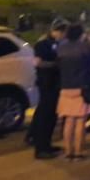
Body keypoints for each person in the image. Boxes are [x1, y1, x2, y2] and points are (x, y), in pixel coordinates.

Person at [57, 23, 90, 160]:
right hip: (81, 87)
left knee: (69, 120)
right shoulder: (84, 47)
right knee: (80, 121)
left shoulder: (61, 47)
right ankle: (78, 152)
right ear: (80, 34)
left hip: (65, 87)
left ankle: (68, 151)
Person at [30, 18, 68, 159]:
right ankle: (41, 149)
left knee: (51, 116)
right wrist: (55, 64)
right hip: (46, 84)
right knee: (45, 117)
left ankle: (47, 145)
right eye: (63, 32)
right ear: (57, 31)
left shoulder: (57, 43)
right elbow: (37, 63)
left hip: (54, 84)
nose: (64, 36)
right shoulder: (43, 43)